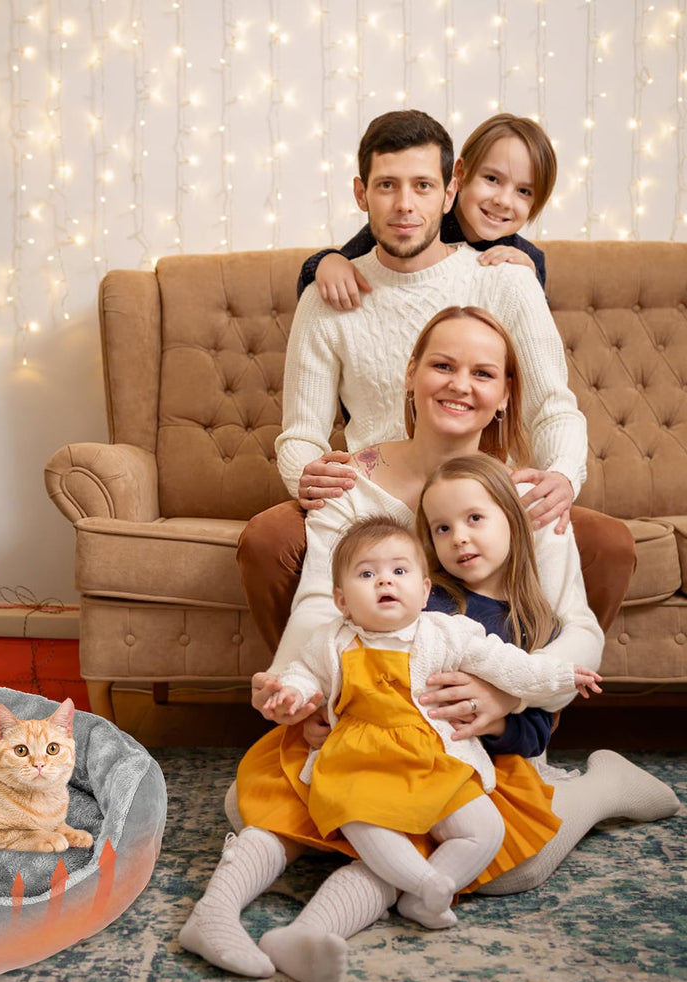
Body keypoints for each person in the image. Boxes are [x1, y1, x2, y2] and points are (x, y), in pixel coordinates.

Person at [179, 306, 679, 982]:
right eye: (443, 365)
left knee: (514, 868)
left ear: (505, 394)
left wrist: (510, 697)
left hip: (465, 739)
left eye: (484, 373)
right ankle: (261, 908)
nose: (460, 385)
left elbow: (576, 629)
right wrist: (304, 696)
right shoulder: (351, 485)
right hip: (376, 723)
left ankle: (600, 787)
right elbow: (322, 611)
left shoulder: (528, 497)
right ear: (410, 374)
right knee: (253, 807)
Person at [237, 110, 635, 654]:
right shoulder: (330, 293)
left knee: (609, 544)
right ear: (361, 193)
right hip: (375, 499)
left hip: (486, 498)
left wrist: (563, 476)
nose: (405, 205)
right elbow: (301, 432)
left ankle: (528, 713)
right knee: (266, 538)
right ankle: (318, 693)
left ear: (449, 191)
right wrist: (305, 475)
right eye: (386, 186)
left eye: (423, 186)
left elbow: (551, 407)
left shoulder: (506, 278)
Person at [261, 512, 601, 934]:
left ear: (425, 592)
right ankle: (429, 884)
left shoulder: (447, 633)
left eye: (399, 571)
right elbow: (303, 672)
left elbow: (507, 665)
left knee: (484, 831)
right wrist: (291, 691)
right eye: (367, 574)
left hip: (436, 759)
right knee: (364, 823)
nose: (385, 581)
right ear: (342, 601)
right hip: (358, 762)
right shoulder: (332, 640)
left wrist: (563, 675)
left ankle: (423, 900)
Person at [298, 111, 557, 304]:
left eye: (524, 191)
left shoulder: (526, 258)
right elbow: (344, 263)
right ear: (459, 176)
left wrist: (528, 283)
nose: (503, 200)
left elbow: (534, 340)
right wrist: (327, 261)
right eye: (491, 179)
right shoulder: (420, 222)